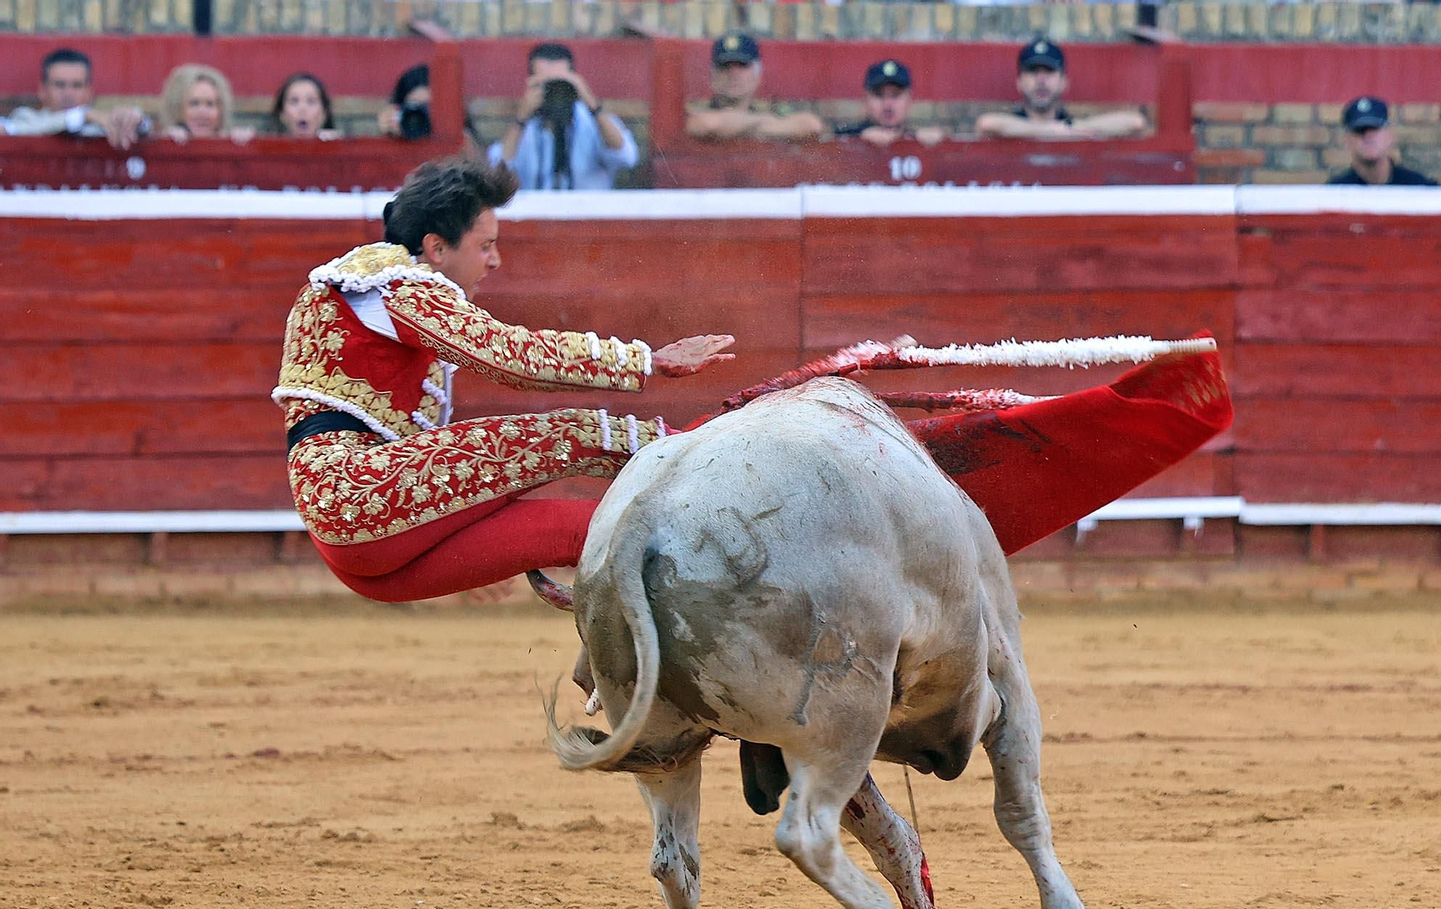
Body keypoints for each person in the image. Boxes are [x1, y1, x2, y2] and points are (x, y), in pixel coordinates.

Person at [273, 156, 734, 602]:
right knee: (574, 433)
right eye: (484, 244)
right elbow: (508, 355)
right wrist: (643, 360)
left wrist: (459, 529)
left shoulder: (367, 288)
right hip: (357, 493)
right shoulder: (394, 282)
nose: (495, 260)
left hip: (363, 531)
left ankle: (660, 640)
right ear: (436, 248)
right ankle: (714, 456)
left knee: (581, 529)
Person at [489, 42, 638, 191]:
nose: (554, 91)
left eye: (561, 83)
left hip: (588, 211)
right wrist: (521, 118)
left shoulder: (591, 121)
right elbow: (498, 169)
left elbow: (626, 156)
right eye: (546, 84)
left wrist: (591, 104)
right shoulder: (525, 127)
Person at [975, 39, 1148, 142]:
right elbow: (986, 124)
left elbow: (1135, 123)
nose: (1041, 80)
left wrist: (1071, 129)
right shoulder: (1009, 125)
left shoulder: (1071, 125)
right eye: (1033, 72)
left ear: (1064, 83)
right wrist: (1053, 131)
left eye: (1049, 72)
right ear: (1019, 82)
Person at [685, 34, 824, 142]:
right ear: (712, 75)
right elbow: (706, 125)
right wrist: (765, 123)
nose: (734, 74)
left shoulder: (772, 109)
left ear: (757, 74)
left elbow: (811, 125)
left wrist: (737, 127)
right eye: (725, 66)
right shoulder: (697, 110)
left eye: (742, 65)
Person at [4, 47, 147, 149]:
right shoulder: (26, 117)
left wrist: (134, 120)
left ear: (89, 91)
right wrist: (83, 115)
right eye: (60, 85)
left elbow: (145, 130)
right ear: (42, 90)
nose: (68, 93)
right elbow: (16, 130)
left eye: (77, 85)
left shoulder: (101, 123)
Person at [1327, 96, 1438, 186]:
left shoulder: (1418, 188)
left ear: (1390, 135)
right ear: (1347, 140)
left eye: (1375, 129)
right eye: (1360, 131)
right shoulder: (1336, 194)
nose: (1368, 137)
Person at [834, 60, 945, 148]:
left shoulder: (919, 141)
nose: (888, 105)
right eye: (879, 95)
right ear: (865, 100)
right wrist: (857, 140)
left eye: (895, 95)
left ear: (910, 99)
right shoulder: (842, 138)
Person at [378, 64, 480, 153]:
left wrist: (454, 133)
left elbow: (476, 165)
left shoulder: (464, 139)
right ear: (400, 111)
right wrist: (389, 137)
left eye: (431, 107)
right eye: (415, 107)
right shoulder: (398, 132)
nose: (423, 114)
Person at [158, 64, 254, 145]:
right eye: (194, 103)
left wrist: (245, 143)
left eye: (210, 104)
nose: (203, 112)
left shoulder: (232, 138)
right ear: (176, 108)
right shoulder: (162, 138)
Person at [270, 73, 341, 140]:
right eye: (294, 101)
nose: (302, 109)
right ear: (282, 113)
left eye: (311, 101)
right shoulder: (268, 150)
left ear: (324, 113)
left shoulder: (340, 149)